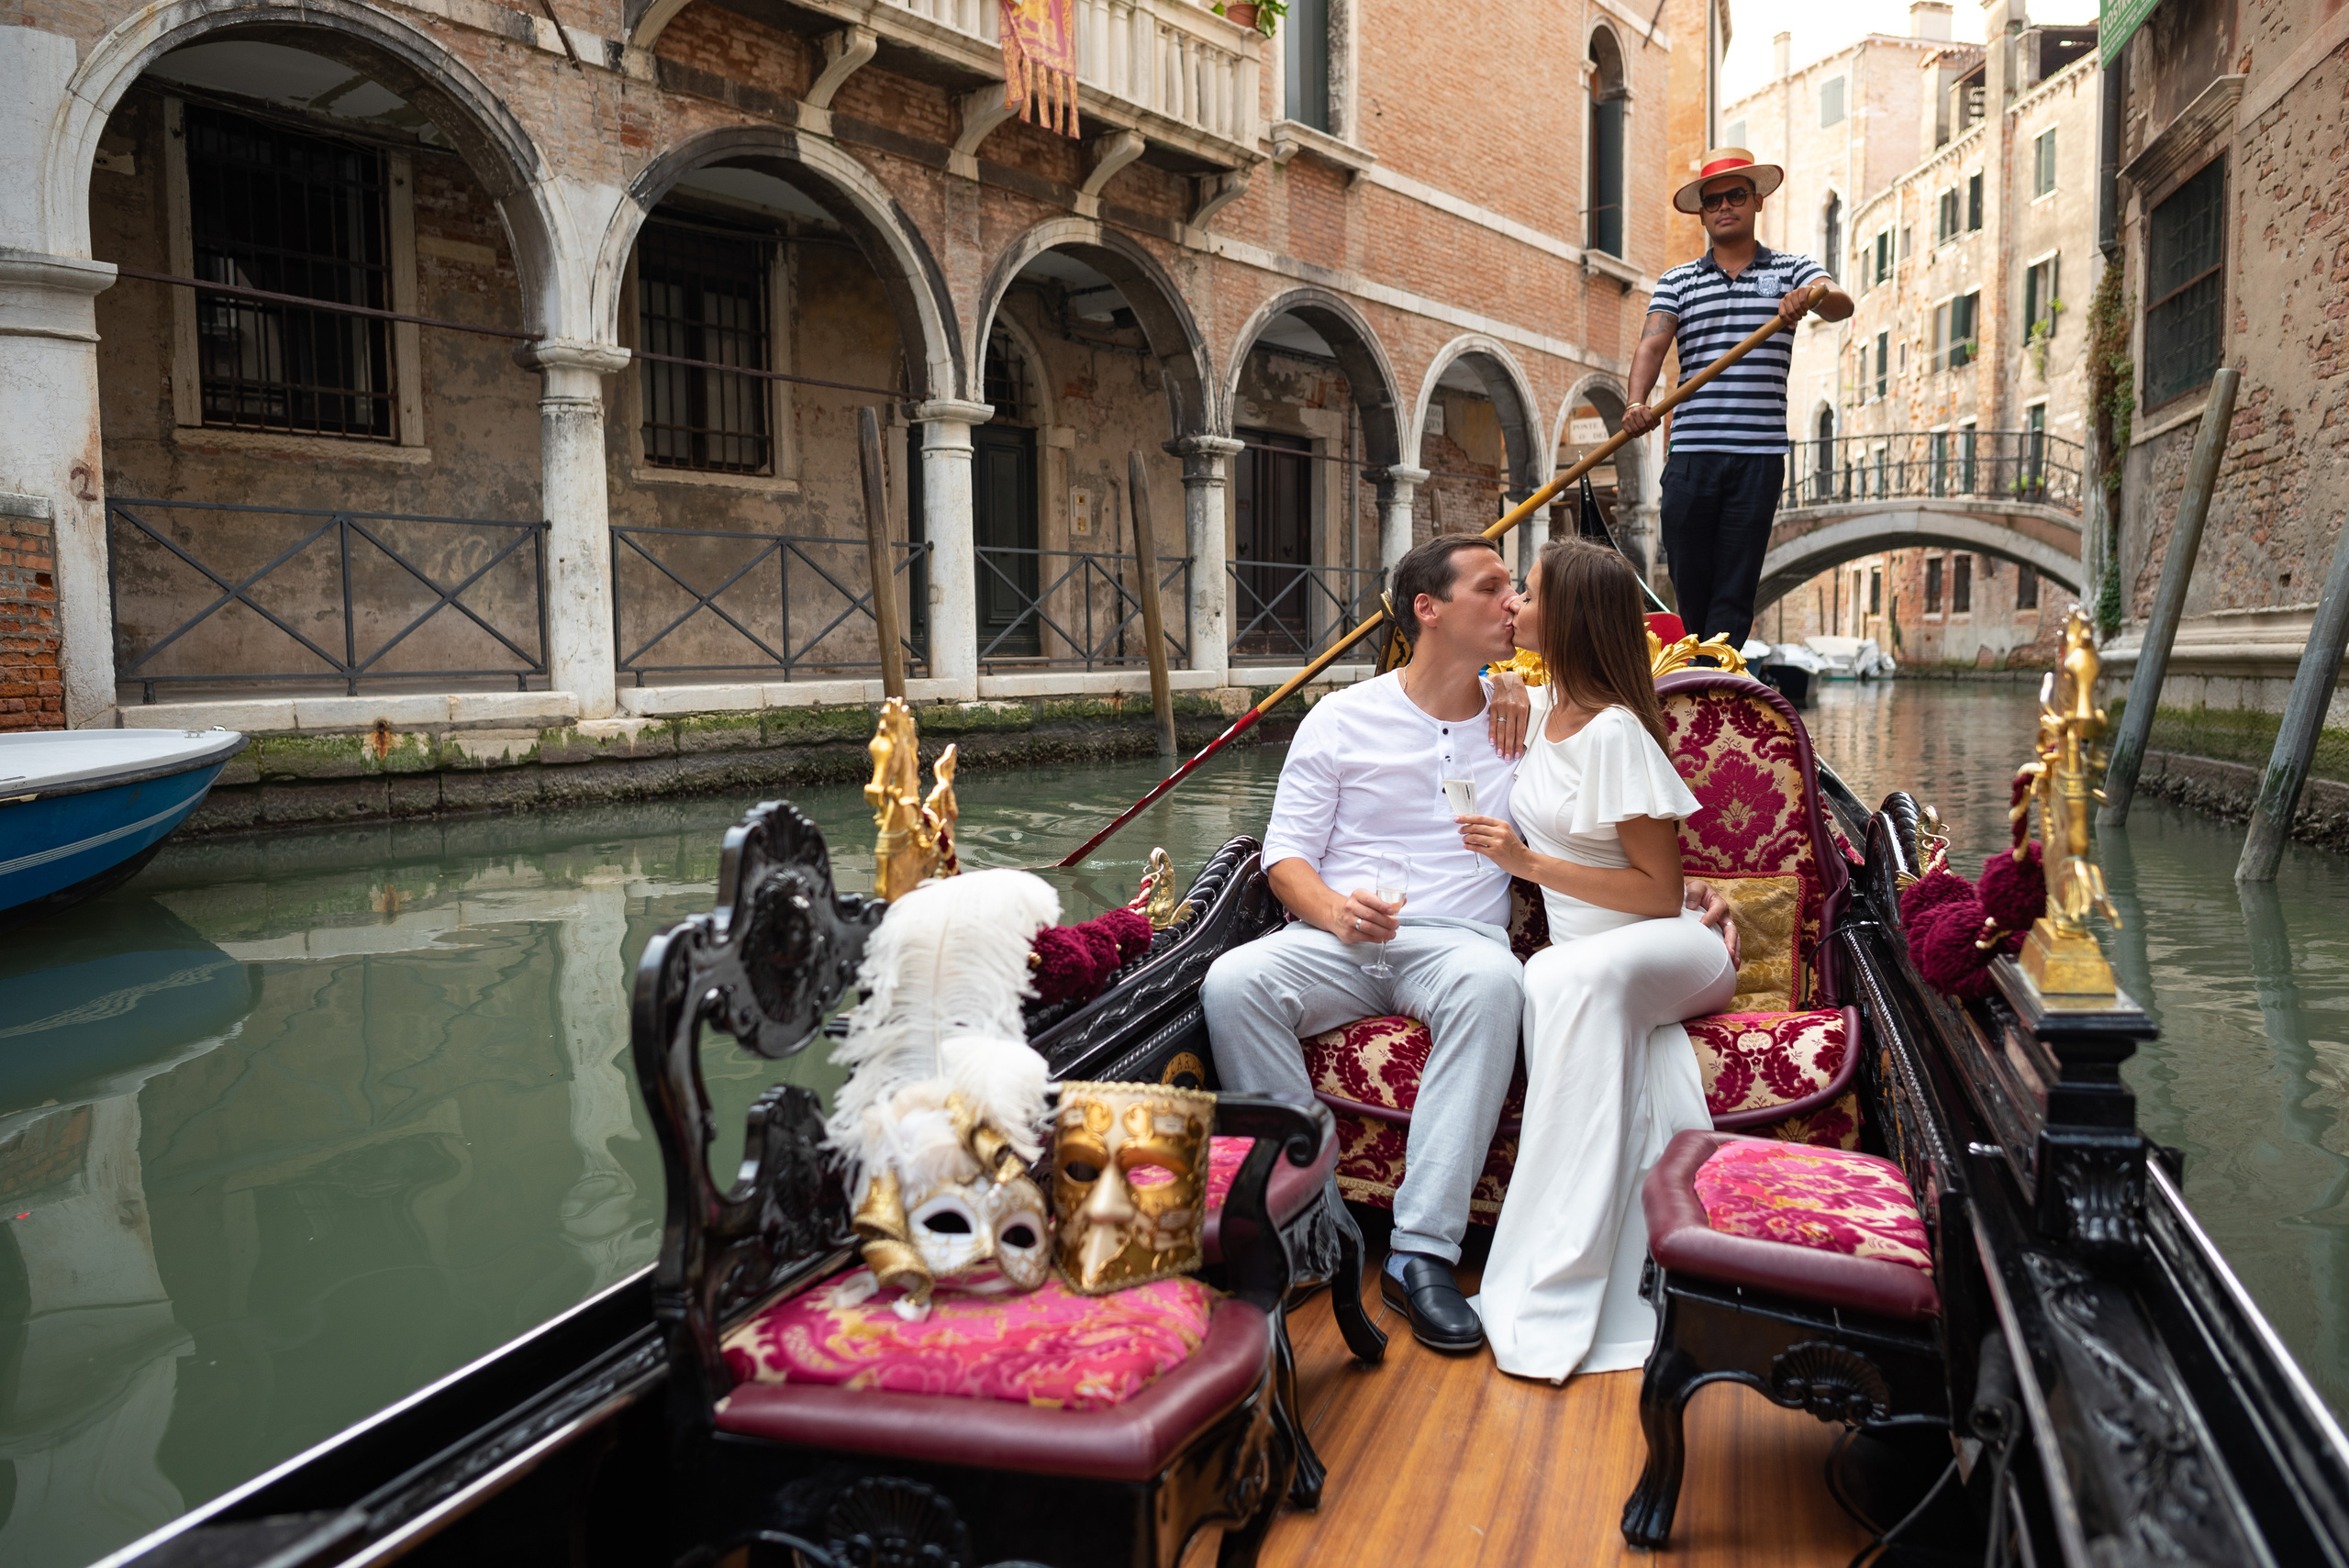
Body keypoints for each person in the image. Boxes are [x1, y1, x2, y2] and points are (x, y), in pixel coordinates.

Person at [1202, 533, 1732, 1354]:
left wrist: (1679, 888)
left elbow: (1609, 811)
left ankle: (1421, 1254)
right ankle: (1312, 1216)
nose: (1512, 602)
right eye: (1493, 589)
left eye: (1519, 590)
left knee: (1495, 986)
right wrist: (1337, 912)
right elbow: (1285, 858)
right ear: (1429, 609)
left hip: (1458, 944)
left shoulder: (1523, 716)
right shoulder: (1340, 716)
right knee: (1232, 983)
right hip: (1340, 935)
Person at [1453, 538, 1742, 1381]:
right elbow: (1455, 681)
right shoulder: (1542, 712)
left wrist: (1527, 865)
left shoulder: (1616, 733)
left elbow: (1658, 892)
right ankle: (1581, 1259)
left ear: (1569, 615)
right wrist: (1501, 679)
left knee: (1553, 974)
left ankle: (1561, 1271)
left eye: (1529, 593)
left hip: (1672, 950)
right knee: (1561, 974)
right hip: (1599, 963)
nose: (1513, 604)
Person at [1621, 148, 1855, 650]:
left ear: (1756, 203)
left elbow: (1840, 303)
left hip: (1759, 455)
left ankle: (1719, 672)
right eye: (1714, 200)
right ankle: (1690, 660)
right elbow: (1652, 344)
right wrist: (1635, 403)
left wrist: (1810, 296)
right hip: (1692, 451)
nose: (1725, 206)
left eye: (1736, 196)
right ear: (1703, 213)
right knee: (1688, 570)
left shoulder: (1793, 269)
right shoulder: (1678, 280)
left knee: (1737, 577)